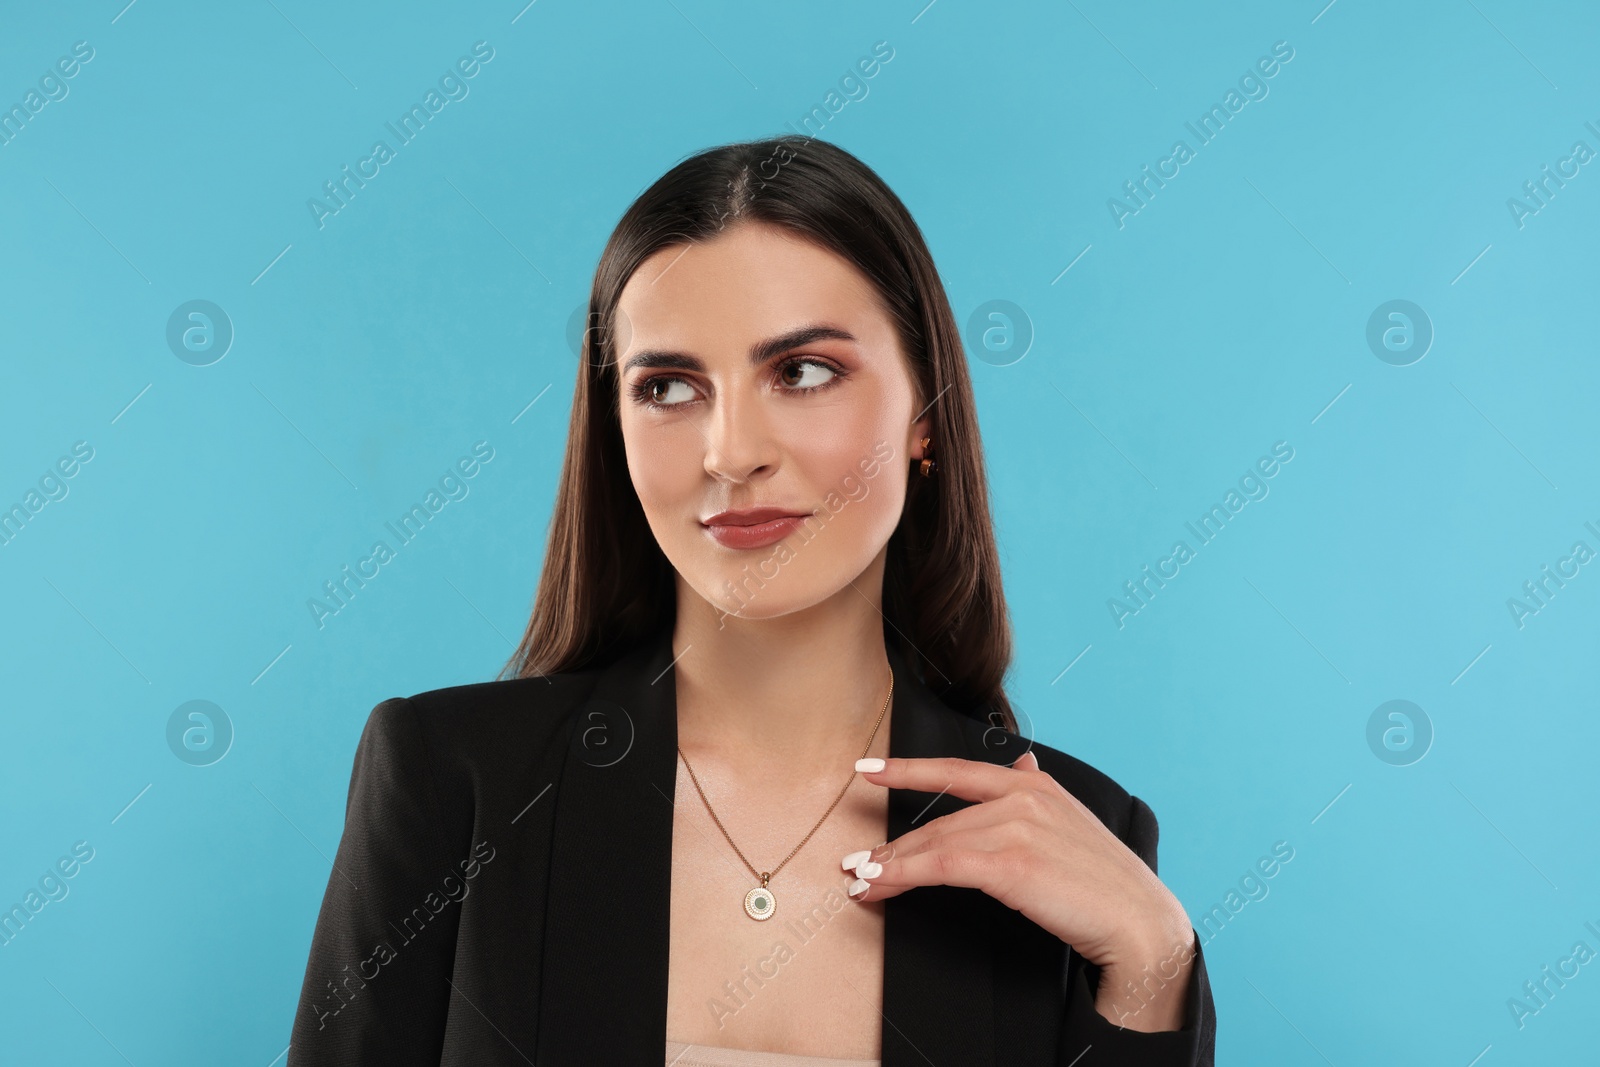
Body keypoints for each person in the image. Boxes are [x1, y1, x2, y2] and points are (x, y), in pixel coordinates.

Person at [289, 135, 1216, 1066]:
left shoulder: (1070, 835)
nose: (731, 452)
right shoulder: (455, 783)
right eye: (668, 387)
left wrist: (1155, 962)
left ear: (924, 417)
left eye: (803, 371)